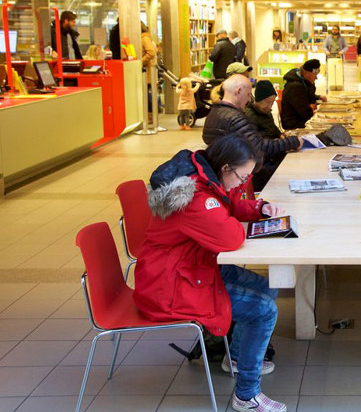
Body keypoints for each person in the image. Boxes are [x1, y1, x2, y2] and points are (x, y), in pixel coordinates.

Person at [133, 134, 287, 412]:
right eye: (243, 178)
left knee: (268, 286)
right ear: (226, 168)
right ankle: (246, 396)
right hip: (170, 286)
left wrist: (259, 207)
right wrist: (228, 215)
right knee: (264, 309)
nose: (243, 184)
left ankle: (238, 357)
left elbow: (225, 208)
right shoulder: (195, 197)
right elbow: (229, 237)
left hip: (190, 268)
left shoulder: (203, 176)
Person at [203, 74, 302, 191]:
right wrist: (293, 142)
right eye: (249, 94)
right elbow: (258, 147)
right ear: (238, 91)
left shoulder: (215, 112)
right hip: (246, 177)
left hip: (227, 176)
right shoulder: (235, 118)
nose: (249, 99)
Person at [280, 59, 327, 130]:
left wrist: (318, 97)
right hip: (295, 123)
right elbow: (305, 113)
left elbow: (306, 95)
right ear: (307, 73)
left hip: (300, 119)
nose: (316, 78)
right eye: (315, 75)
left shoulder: (303, 81)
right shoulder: (295, 87)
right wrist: (317, 116)